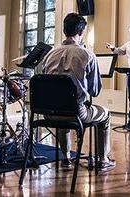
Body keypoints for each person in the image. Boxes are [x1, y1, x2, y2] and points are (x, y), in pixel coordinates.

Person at [39, 13, 115, 171]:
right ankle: (103, 159)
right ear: (81, 33)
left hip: (48, 112)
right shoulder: (87, 55)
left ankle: (66, 158)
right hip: (76, 113)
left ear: (65, 30)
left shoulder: (48, 55)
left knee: (61, 107)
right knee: (106, 115)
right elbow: (95, 91)